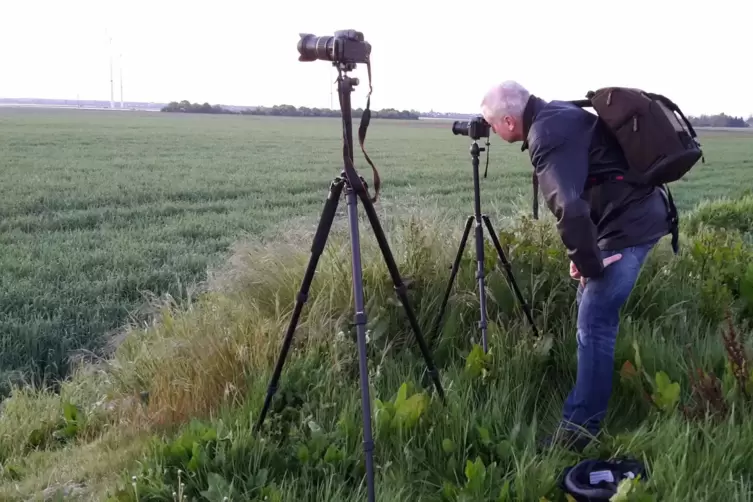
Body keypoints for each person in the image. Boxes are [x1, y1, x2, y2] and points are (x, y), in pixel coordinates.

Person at [479, 80, 673, 451]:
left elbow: (568, 206)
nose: (490, 130)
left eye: (491, 124)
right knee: (591, 312)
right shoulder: (559, 113)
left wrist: (590, 262)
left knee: (595, 323)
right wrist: (585, 258)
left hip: (630, 226)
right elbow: (593, 182)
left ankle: (579, 431)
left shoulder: (546, 133)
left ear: (507, 121)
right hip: (632, 215)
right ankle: (588, 406)